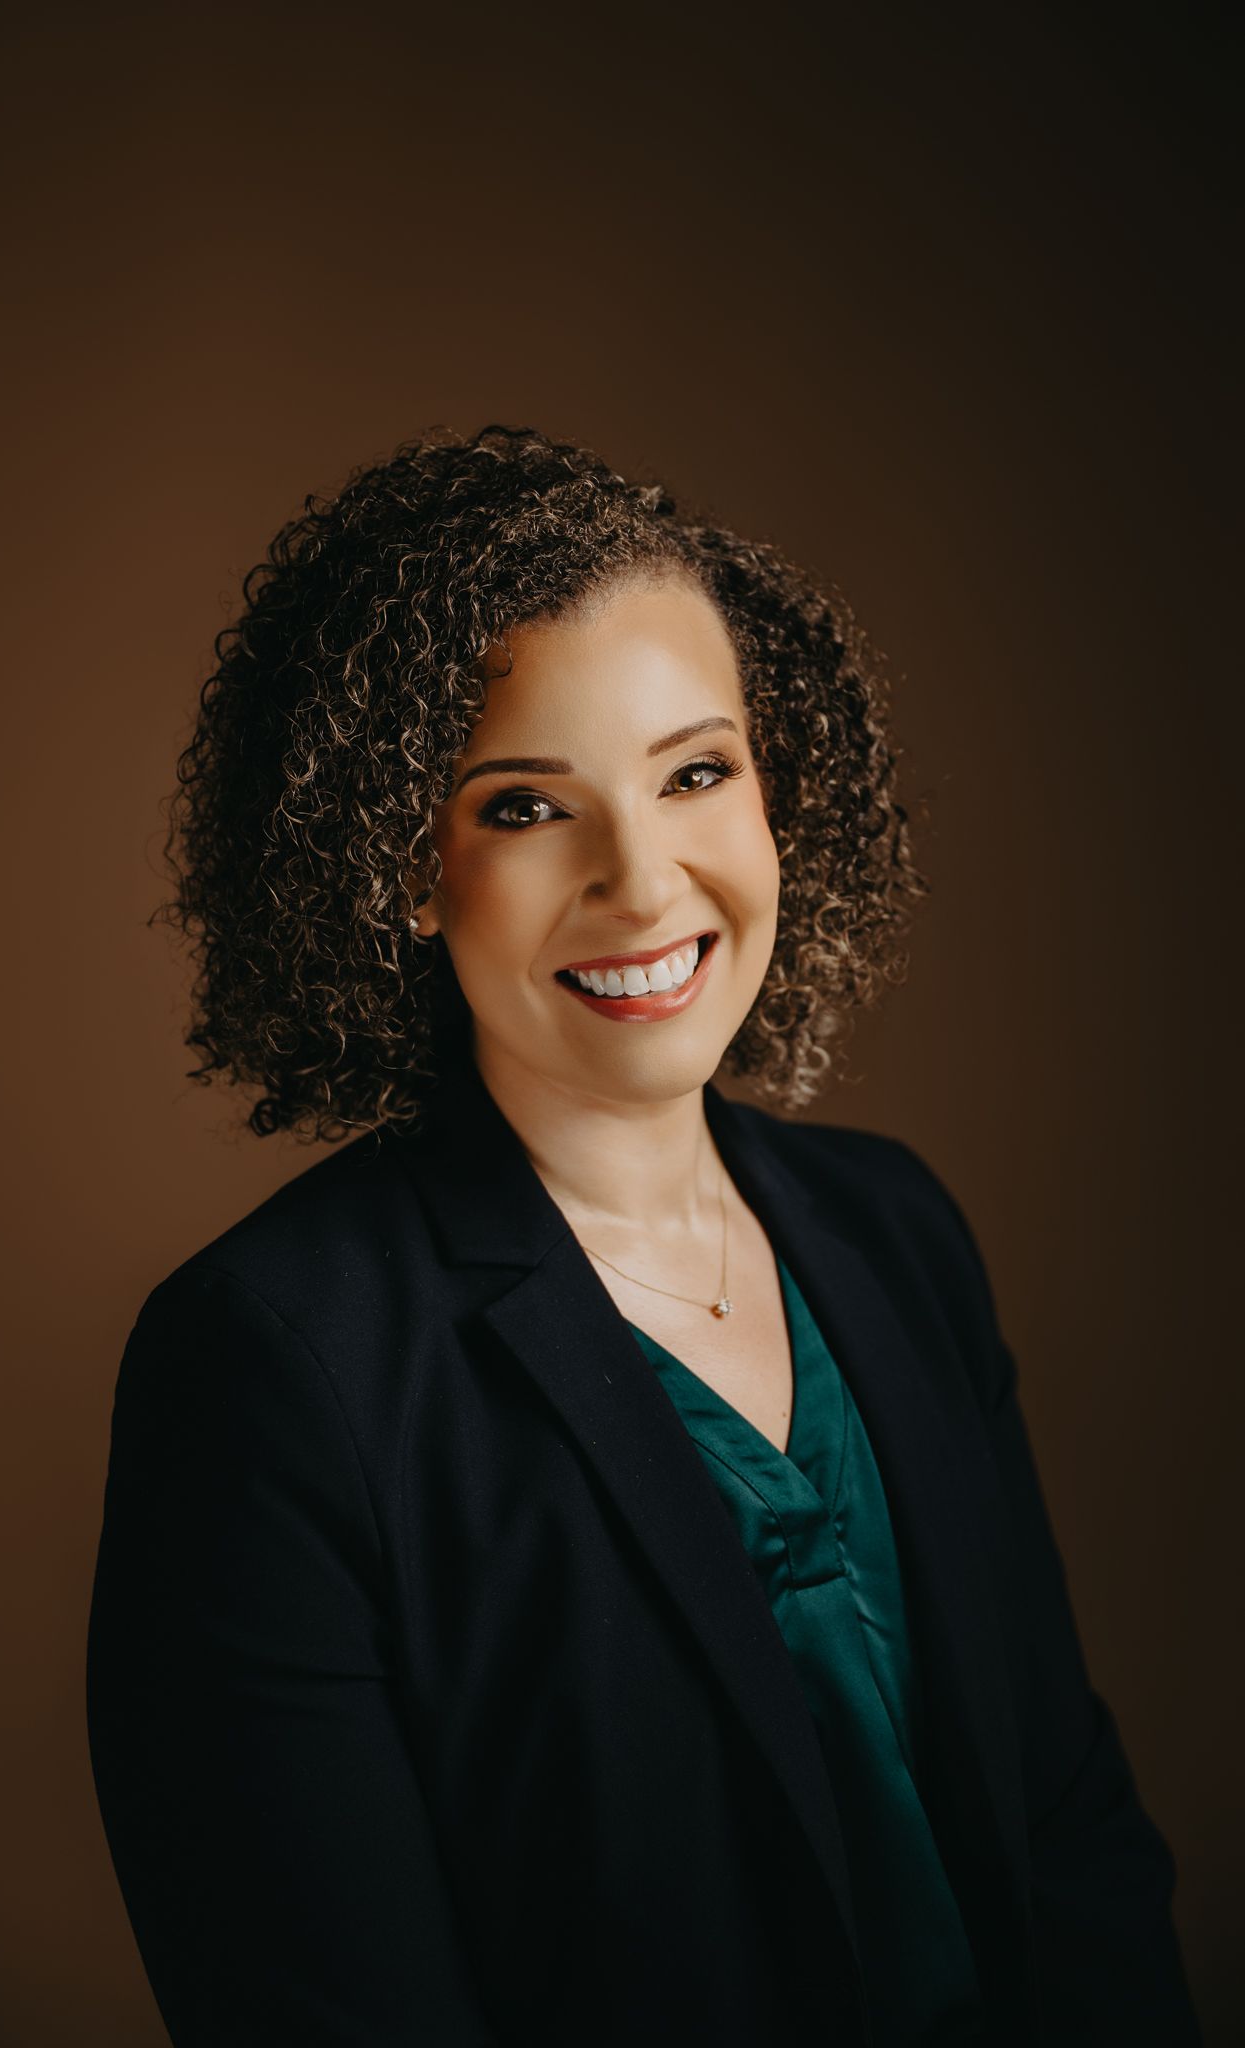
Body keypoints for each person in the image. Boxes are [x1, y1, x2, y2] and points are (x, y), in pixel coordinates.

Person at [86, 424, 1200, 2046]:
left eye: (695, 772)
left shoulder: (896, 1233)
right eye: (527, 805)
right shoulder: (269, 1367)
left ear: (776, 787)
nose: (641, 877)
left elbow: (1066, 1827)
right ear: (401, 869)